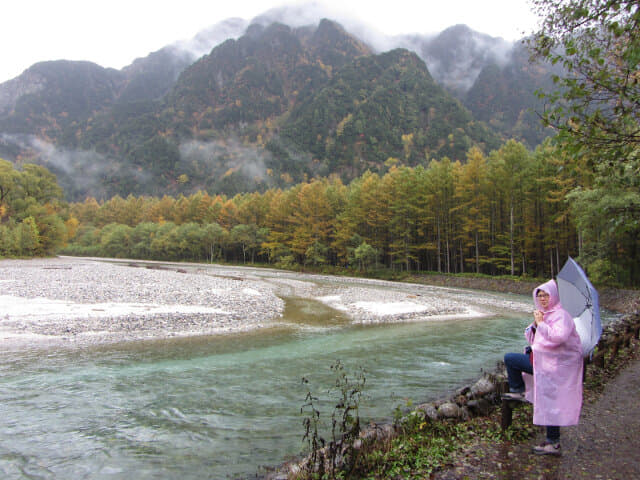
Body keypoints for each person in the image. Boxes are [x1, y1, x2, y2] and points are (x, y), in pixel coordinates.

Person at [503, 279, 584, 456]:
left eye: (546, 295)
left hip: (556, 368)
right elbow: (534, 339)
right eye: (539, 295)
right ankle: (552, 442)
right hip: (545, 364)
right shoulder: (546, 314)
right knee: (550, 402)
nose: (542, 298)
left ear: (553, 295)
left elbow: (559, 337)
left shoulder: (561, 315)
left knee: (511, 359)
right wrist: (535, 324)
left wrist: (541, 324)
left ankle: (518, 390)